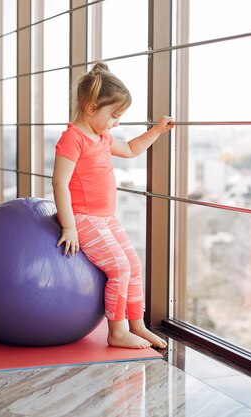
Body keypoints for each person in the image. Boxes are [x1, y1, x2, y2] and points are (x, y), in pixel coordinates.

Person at [52, 62, 173, 349]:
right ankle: (116, 332)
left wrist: (157, 130)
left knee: (133, 265)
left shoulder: (102, 137)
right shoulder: (73, 139)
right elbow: (59, 183)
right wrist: (69, 226)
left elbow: (131, 149)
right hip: (83, 218)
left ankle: (137, 325)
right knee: (119, 268)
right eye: (114, 115)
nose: (116, 122)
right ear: (92, 107)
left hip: (106, 218)